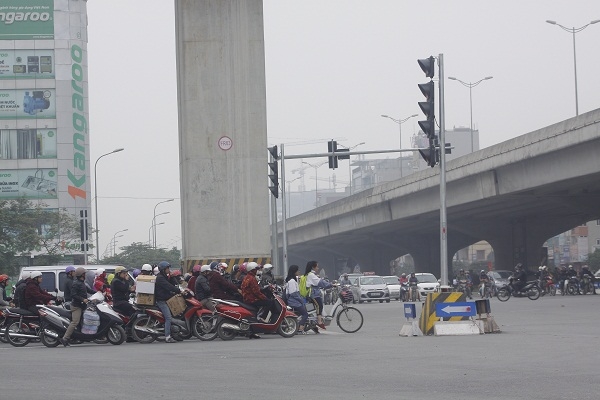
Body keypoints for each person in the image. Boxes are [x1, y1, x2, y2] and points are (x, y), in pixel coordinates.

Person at [154, 261, 184, 343]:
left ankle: (175, 333)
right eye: (167, 268)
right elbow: (168, 286)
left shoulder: (165, 276)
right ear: (163, 269)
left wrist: (172, 276)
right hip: (161, 301)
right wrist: (178, 291)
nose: (169, 270)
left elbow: (173, 284)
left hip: (166, 299)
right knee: (168, 318)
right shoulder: (160, 278)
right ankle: (167, 337)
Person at [241, 262, 277, 328]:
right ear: (252, 270)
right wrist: (265, 297)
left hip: (247, 298)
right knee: (270, 303)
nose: (257, 271)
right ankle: (262, 318)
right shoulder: (252, 279)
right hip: (252, 299)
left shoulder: (247, 277)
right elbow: (256, 292)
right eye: (256, 269)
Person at [59, 267, 89, 347]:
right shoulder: (75, 283)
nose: (85, 274)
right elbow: (73, 295)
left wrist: (98, 292)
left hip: (82, 305)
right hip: (76, 306)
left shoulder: (81, 282)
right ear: (82, 275)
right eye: (84, 273)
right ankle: (65, 338)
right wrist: (83, 299)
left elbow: (88, 290)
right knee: (75, 322)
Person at [304, 260, 332, 330]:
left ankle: (315, 323)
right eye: (317, 266)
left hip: (314, 293)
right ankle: (319, 322)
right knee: (319, 305)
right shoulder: (311, 275)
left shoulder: (310, 274)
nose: (318, 268)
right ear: (313, 267)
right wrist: (330, 285)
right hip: (313, 295)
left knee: (316, 307)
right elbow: (320, 282)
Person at [284, 265, 308, 334]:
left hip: (294, 301)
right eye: (297, 270)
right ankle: (299, 328)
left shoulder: (293, 280)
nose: (299, 272)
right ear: (294, 272)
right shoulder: (291, 281)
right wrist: (301, 300)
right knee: (305, 314)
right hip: (294, 302)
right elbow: (293, 293)